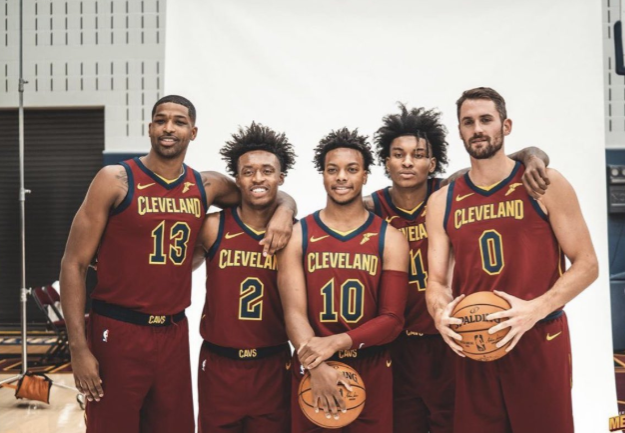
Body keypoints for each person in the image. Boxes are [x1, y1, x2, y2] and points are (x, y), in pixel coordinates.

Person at [60, 95, 295, 433]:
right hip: (118, 327)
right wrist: (78, 347)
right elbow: (73, 264)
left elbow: (260, 190)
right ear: (150, 128)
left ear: (193, 132)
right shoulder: (115, 179)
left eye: (179, 122)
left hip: (173, 331)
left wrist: (285, 210)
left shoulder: (206, 185)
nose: (169, 128)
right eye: (161, 120)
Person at [365, 103, 550, 433]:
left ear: (432, 163)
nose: (407, 162)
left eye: (418, 155)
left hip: (454, 338)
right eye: (398, 154)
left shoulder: (450, 191)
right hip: (398, 344)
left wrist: (534, 155)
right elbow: (325, 212)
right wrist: (285, 207)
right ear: (386, 161)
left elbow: (496, 159)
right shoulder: (370, 208)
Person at [426, 87, 598, 433]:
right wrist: (440, 313)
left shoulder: (544, 183)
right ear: (459, 131)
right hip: (475, 341)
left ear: (506, 126)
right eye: (468, 122)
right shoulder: (442, 201)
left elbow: (587, 264)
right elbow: (437, 282)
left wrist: (534, 309)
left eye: (486, 120)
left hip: (538, 336)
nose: (477, 129)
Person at [278, 128, 410, 433]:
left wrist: (335, 342)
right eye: (332, 170)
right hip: (313, 366)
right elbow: (293, 314)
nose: (341, 177)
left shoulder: (389, 238)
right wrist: (317, 365)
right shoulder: (299, 235)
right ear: (323, 175)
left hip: (370, 364)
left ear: (365, 176)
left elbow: (392, 320)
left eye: (351, 170)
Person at [193, 122, 296, 433]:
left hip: (273, 362)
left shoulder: (296, 234)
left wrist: (287, 208)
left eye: (267, 171)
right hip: (219, 363)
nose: (258, 178)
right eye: (248, 171)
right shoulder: (213, 227)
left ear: (281, 177)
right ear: (236, 179)